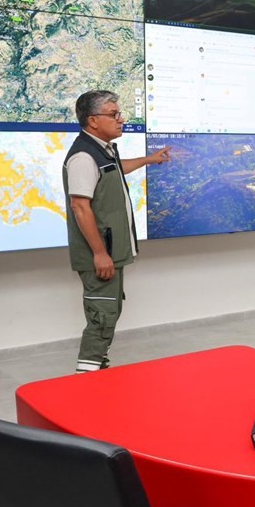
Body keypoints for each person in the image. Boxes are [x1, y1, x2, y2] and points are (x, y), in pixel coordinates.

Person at [64, 90, 171, 373]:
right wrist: (100, 253)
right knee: (102, 318)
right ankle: (86, 380)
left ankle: (97, 370)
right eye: (114, 115)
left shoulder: (102, 151)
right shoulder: (83, 157)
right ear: (93, 120)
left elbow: (115, 169)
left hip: (111, 252)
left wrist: (149, 160)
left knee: (109, 312)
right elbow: (80, 207)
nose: (121, 119)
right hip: (100, 254)